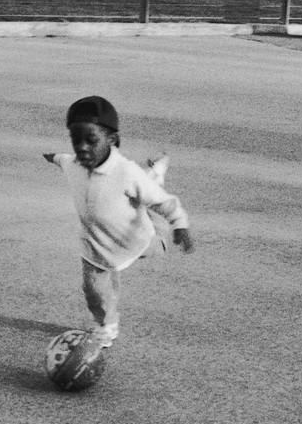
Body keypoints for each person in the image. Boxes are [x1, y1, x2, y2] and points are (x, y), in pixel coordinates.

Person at [41, 96, 193, 348]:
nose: (82, 147)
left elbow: (163, 202)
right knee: (94, 292)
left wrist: (180, 224)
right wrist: (52, 157)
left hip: (136, 239)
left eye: (91, 140)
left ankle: (155, 175)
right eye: (75, 139)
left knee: (152, 215)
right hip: (97, 247)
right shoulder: (73, 164)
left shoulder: (126, 172)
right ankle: (107, 325)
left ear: (111, 140)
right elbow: (63, 159)